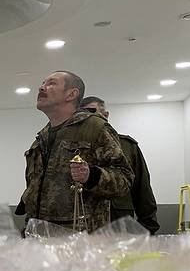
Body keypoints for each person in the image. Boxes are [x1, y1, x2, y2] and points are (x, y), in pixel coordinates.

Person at [18, 71, 132, 231]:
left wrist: (91, 176)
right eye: (43, 83)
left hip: (80, 236)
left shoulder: (94, 128)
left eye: (51, 83)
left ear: (71, 94)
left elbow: (124, 178)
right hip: (40, 235)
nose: (41, 88)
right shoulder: (41, 139)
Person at [79, 96, 159, 234]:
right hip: (82, 225)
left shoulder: (126, 146)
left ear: (105, 115)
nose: (88, 118)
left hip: (118, 224)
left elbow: (142, 189)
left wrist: (148, 230)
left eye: (92, 112)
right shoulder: (72, 148)